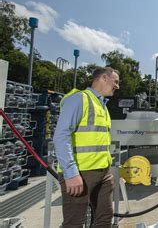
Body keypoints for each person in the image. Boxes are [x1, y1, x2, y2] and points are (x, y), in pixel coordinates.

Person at [53, 66, 120, 227]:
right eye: (115, 81)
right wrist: (70, 173)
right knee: (74, 223)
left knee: (104, 219)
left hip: (103, 172)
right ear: (104, 78)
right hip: (80, 173)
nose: (117, 86)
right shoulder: (79, 99)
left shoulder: (102, 106)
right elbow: (61, 136)